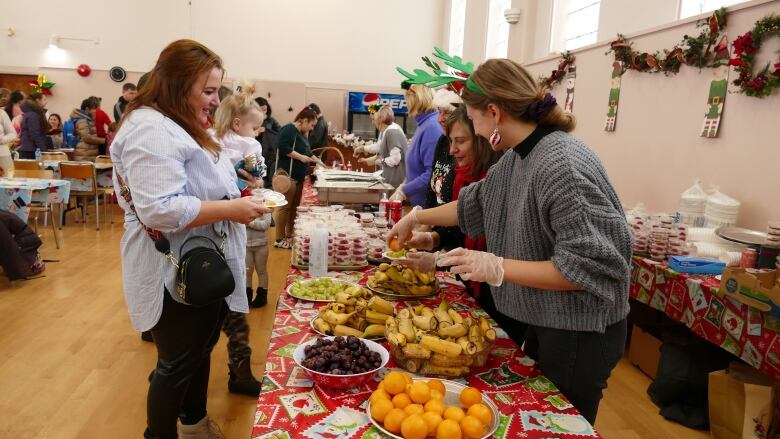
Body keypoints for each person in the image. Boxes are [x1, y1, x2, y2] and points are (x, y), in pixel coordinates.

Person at [388, 58, 631, 424]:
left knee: (561, 424)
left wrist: (498, 266)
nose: (476, 130)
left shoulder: (561, 163)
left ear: (494, 112)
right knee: (536, 412)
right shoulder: (521, 156)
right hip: (549, 317)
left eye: (473, 118)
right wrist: (417, 216)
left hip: (582, 327)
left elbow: (589, 266)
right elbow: (476, 201)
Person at [111, 39, 268, 439]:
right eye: (209, 91)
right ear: (178, 84)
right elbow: (161, 208)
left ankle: (193, 424)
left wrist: (238, 195)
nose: (217, 101)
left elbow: (202, 181)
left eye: (217, 90)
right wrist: (232, 210)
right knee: (177, 363)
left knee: (198, 350)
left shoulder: (175, 122)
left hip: (200, 256)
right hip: (174, 265)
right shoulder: (152, 129)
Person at [399, 106, 512, 336]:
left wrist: (438, 259)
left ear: (481, 140)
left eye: (460, 141)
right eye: (450, 141)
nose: (452, 150)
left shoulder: (498, 177)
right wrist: (433, 238)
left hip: (501, 295)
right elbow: (462, 227)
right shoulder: (462, 176)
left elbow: (486, 244)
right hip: (473, 285)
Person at [270, 107, 323, 249]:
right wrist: (301, 157)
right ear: (304, 120)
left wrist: (319, 162)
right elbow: (282, 147)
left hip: (298, 177)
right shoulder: (289, 129)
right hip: (288, 176)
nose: (312, 129)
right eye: (311, 125)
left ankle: (289, 236)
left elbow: (308, 152)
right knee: (284, 208)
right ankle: (279, 238)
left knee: (293, 208)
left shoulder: (301, 134)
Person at [391, 84, 442, 207]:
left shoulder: (431, 126)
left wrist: (404, 190)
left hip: (428, 207)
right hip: (419, 205)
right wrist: (405, 183)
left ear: (415, 100)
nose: (406, 104)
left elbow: (432, 173)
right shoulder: (423, 124)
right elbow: (417, 167)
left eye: (407, 100)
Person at [353, 105, 407, 188]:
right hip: (390, 177)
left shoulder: (391, 132)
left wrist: (381, 161)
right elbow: (380, 147)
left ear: (380, 119)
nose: (373, 122)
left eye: (373, 119)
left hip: (395, 179)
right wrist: (363, 149)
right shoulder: (387, 130)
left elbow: (396, 159)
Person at [425, 88, 461, 208]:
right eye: (440, 112)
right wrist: (426, 221)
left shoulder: (471, 150)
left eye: (447, 112)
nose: (440, 119)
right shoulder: (442, 141)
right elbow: (431, 188)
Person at [254, 97, 281, 186]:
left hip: (269, 150)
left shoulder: (271, 120)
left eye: (265, 110)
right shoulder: (251, 120)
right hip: (255, 150)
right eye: (261, 110)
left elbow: (280, 132)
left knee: (267, 170)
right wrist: (256, 131)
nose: (263, 112)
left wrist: (267, 130)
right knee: (257, 174)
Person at [71, 97, 106, 161]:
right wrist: (104, 140)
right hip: (84, 155)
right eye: (94, 109)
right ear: (87, 109)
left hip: (88, 154)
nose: (96, 111)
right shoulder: (82, 120)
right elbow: (87, 138)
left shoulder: (88, 120)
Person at [18, 92, 51, 159]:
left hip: (29, 149)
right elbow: (34, 134)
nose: (46, 102)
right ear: (37, 100)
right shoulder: (33, 114)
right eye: (44, 99)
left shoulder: (30, 113)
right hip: (31, 150)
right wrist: (43, 149)